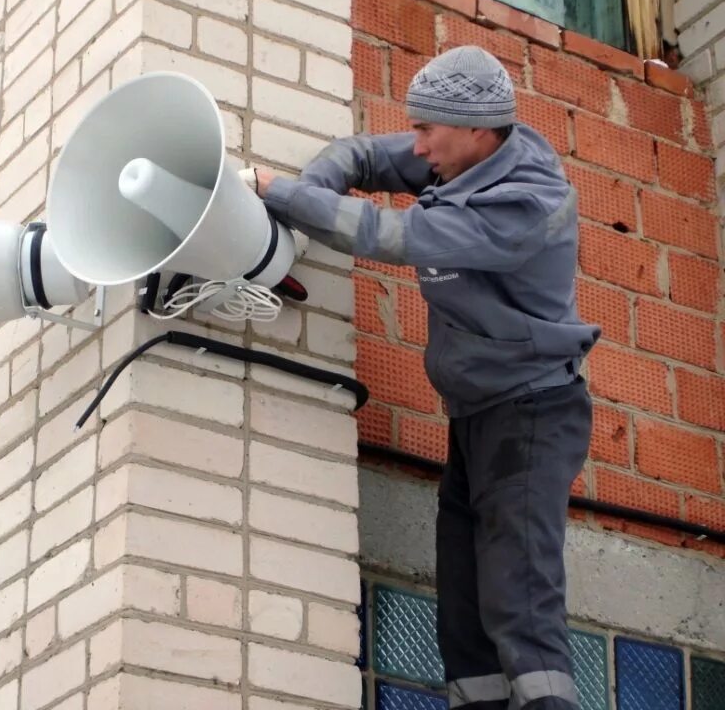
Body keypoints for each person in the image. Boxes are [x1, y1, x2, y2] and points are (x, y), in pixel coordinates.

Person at [252, 45, 600, 710]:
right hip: (478, 416)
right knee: (464, 612)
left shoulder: (524, 203)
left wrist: (275, 191)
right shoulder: (464, 149)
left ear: (474, 130)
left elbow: (389, 235)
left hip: (531, 415)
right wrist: (316, 185)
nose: (415, 145)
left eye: (425, 130)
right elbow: (362, 156)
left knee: (518, 599)